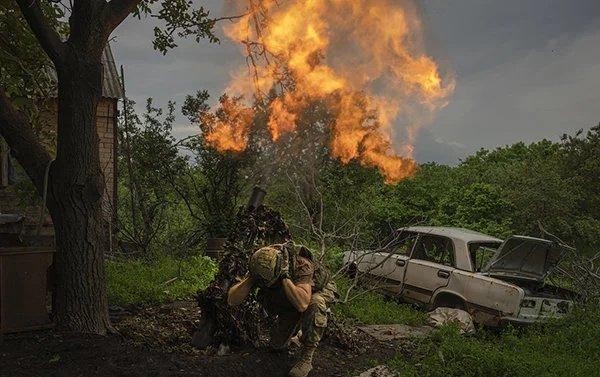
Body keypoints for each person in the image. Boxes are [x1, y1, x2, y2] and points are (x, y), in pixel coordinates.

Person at [227, 243, 337, 377]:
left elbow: (302, 304)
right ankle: (298, 334)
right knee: (277, 345)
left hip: (314, 291)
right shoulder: (260, 261)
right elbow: (232, 300)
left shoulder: (302, 264)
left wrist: (284, 276)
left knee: (315, 304)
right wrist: (251, 279)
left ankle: (306, 357)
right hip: (292, 295)